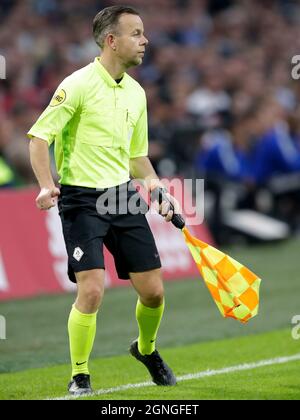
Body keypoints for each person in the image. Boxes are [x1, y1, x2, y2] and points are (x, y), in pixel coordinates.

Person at [28, 5, 179, 396]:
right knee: (92, 290)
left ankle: (146, 350)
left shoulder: (136, 93)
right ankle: (80, 375)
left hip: (123, 198)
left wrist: (156, 187)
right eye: (136, 33)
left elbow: (137, 156)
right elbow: (40, 137)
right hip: (80, 199)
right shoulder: (77, 84)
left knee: (154, 292)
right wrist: (47, 185)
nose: (145, 40)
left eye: (143, 33)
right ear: (111, 41)